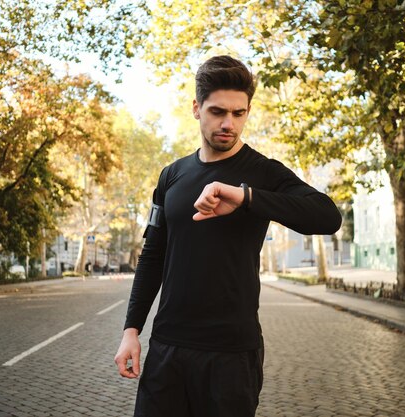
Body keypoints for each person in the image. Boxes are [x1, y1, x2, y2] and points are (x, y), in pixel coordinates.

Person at [114, 55, 342, 417]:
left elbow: (328, 216)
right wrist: (131, 330)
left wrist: (245, 196)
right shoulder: (171, 176)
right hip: (167, 348)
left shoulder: (263, 172)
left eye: (239, 113)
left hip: (231, 355)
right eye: (218, 112)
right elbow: (153, 256)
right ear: (196, 108)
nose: (228, 124)